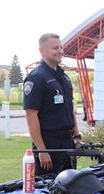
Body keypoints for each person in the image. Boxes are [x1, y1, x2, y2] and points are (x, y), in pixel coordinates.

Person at [23, 33, 81, 176]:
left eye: (61, 47)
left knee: (71, 188)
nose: (60, 51)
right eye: (55, 48)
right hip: (49, 146)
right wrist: (42, 150)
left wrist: (77, 136)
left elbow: (69, 109)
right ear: (42, 51)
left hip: (68, 144)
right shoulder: (37, 77)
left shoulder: (64, 77)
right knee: (47, 193)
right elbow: (31, 115)